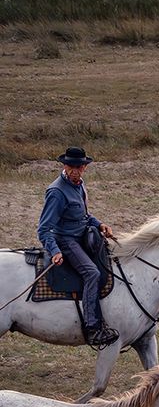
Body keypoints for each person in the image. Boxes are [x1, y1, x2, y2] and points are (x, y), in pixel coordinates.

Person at [37, 145, 117, 348]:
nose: (74, 170)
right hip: (67, 241)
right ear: (64, 166)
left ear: (84, 167)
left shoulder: (80, 185)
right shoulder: (56, 192)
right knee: (91, 273)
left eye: (78, 167)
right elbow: (44, 229)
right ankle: (92, 326)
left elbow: (83, 216)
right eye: (70, 166)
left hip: (82, 236)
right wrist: (55, 251)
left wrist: (99, 224)